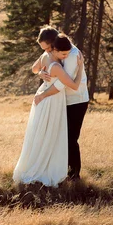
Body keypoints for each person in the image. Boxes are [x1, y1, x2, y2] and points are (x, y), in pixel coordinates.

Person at [13, 30, 84, 187]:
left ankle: (44, 165)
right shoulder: (55, 64)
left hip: (45, 97)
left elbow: (35, 68)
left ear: (53, 45)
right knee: (50, 134)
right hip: (51, 99)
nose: (44, 51)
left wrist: (42, 74)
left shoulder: (54, 57)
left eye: (46, 47)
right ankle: (46, 167)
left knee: (42, 133)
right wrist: (79, 68)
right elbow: (72, 84)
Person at [39, 32, 89, 180]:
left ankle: (74, 175)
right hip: (65, 101)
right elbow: (38, 67)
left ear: (53, 44)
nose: (47, 51)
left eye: (48, 48)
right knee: (63, 137)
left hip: (76, 101)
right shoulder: (58, 50)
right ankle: (64, 170)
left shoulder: (71, 55)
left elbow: (63, 83)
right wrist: (41, 73)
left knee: (71, 138)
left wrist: (44, 94)